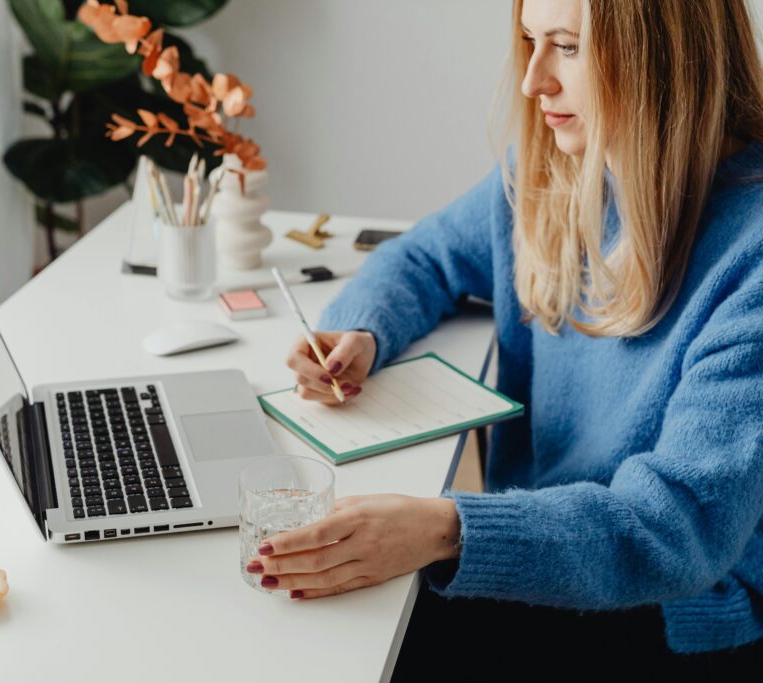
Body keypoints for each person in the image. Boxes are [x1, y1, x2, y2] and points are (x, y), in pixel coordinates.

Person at [242, 0, 763, 674]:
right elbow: (424, 255)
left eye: (567, 47)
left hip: (678, 604)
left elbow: (673, 527)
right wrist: (362, 331)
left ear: (665, 55)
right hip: (553, 547)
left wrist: (445, 526)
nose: (533, 79)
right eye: (529, 41)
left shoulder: (749, 253)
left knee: (363, 639)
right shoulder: (554, 166)